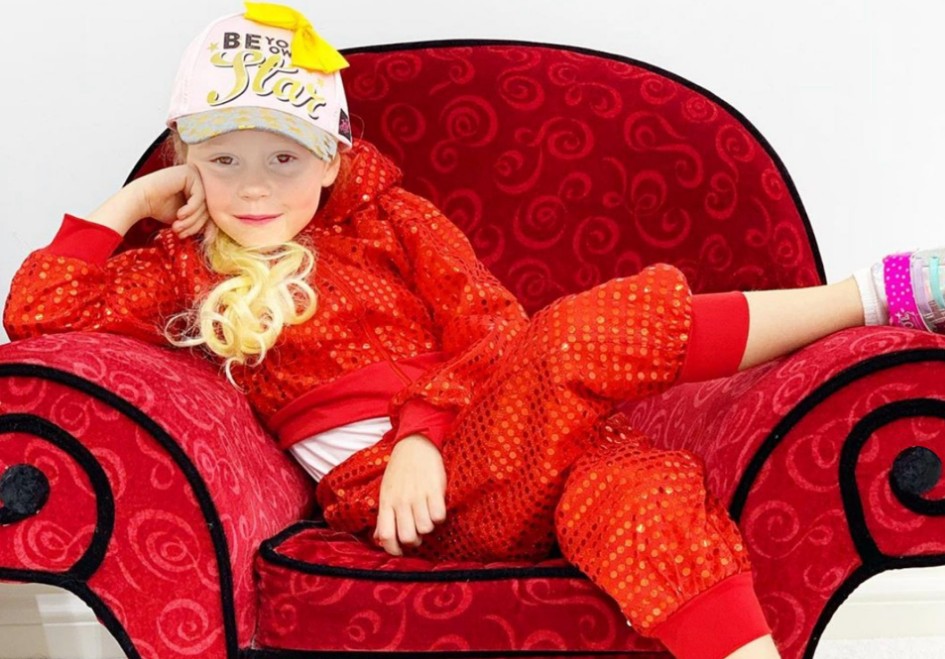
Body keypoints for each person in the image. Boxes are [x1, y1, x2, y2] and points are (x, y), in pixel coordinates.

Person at [3, 3, 944, 659]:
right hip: (416, 508)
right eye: (222, 161)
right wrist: (137, 199)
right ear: (189, 161)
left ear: (330, 160)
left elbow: (494, 325)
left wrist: (424, 431)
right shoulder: (186, 266)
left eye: (283, 159)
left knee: (639, 485)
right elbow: (38, 313)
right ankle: (874, 292)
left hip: (496, 441)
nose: (253, 188)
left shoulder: (394, 221)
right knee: (578, 336)